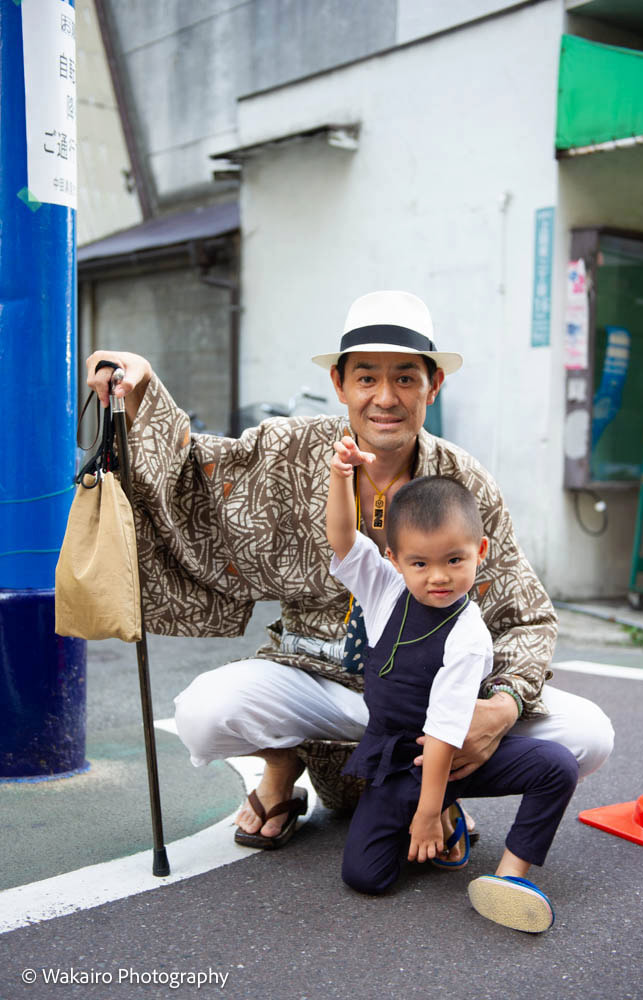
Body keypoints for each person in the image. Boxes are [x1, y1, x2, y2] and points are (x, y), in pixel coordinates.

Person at [85, 290, 614, 851]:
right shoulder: (287, 446)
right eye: (367, 378)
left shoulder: (467, 481)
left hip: (430, 700)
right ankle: (283, 769)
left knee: (588, 735)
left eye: (406, 378)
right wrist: (140, 391)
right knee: (203, 712)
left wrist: (501, 707)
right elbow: (194, 473)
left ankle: (425, 789)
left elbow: (526, 615)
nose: (385, 398)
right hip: (314, 678)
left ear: (434, 386)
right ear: (340, 384)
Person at [326, 441, 578, 931]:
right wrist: (340, 477)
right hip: (395, 759)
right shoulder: (385, 589)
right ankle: (443, 811)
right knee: (365, 877)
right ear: (395, 559)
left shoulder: (468, 635)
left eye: (454, 560)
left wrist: (424, 812)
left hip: (449, 754)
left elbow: (444, 732)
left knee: (557, 768)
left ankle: (510, 875)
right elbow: (342, 539)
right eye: (420, 563)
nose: (438, 577)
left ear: (479, 553)